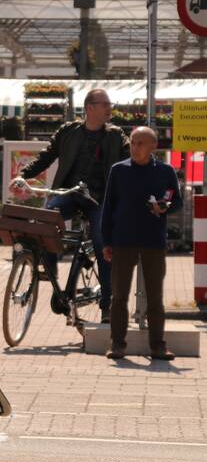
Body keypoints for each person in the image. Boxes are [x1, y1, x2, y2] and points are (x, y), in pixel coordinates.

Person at [10, 88, 130, 323]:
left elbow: (131, 158)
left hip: (99, 199)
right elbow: (45, 157)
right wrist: (23, 175)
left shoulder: (116, 136)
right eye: (105, 104)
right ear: (90, 108)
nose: (110, 108)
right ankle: (51, 269)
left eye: (110, 104)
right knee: (46, 219)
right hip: (69, 193)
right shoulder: (68, 132)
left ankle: (107, 305)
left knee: (102, 243)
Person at [100, 127, 182, 360]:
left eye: (140, 143)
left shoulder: (165, 171)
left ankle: (158, 345)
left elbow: (177, 202)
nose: (135, 148)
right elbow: (108, 208)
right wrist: (107, 241)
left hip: (153, 240)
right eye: (133, 143)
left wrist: (164, 208)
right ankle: (117, 344)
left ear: (153, 146)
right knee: (119, 296)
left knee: (155, 296)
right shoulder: (119, 170)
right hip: (123, 240)